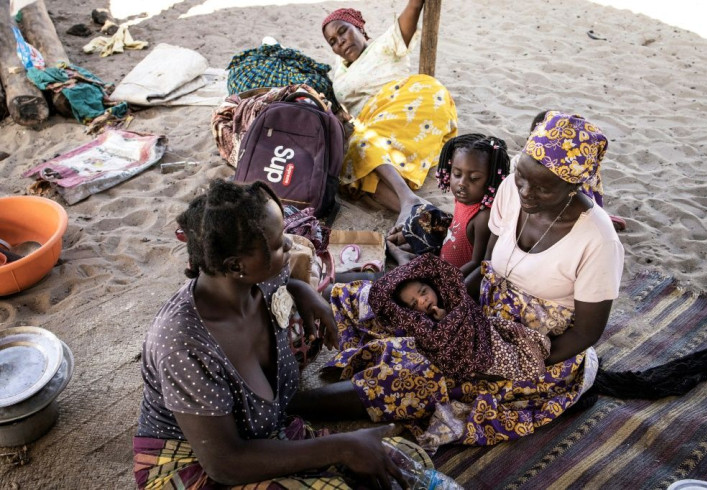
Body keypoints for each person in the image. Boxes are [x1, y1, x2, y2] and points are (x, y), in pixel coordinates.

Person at [294, 112, 624, 453]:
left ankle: (293, 406)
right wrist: (449, 306)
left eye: (542, 187)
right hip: (481, 310)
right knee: (367, 298)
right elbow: (489, 265)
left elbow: (586, 332)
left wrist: (515, 362)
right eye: (521, 176)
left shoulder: (598, 241)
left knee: (417, 377)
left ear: (573, 186)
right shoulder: (512, 190)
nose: (525, 190)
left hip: (537, 348)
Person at [133, 179, 446, 489]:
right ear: (235, 264)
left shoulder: (255, 282)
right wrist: (341, 447)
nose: (289, 245)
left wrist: (302, 291)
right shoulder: (183, 343)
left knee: (395, 461)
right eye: (276, 243)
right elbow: (225, 464)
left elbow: (284, 279)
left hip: (264, 433)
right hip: (200, 467)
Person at [322, 3, 458, 226]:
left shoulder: (385, 44)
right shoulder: (339, 71)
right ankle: (422, 211)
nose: (340, 42)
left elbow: (414, 7)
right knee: (357, 164)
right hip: (374, 122)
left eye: (343, 31)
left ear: (359, 28)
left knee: (364, 146)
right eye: (333, 42)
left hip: (408, 105)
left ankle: (408, 199)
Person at [376, 253, 550, 381]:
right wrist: (441, 323)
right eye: (414, 304)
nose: (423, 300)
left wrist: (447, 316)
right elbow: (433, 342)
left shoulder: (453, 298)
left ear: (433, 286)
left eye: (423, 292)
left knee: (510, 347)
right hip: (464, 354)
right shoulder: (417, 324)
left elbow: (470, 317)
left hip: (482, 335)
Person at [386, 134, 510, 276]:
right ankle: (404, 241)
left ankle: (401, 254)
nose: (462, 183)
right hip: (442, 258)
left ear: (492, 179)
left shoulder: (483, 216)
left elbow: (477, 264)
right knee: (423, 212)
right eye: (457, 174)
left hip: (454, 277)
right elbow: (455, 229)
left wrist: (447, 282)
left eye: (474, 178)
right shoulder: (464, 199)